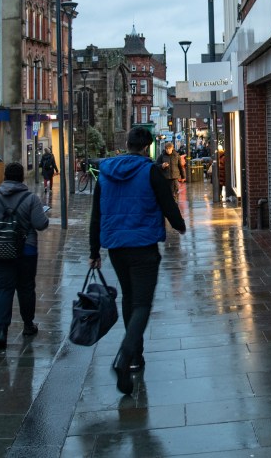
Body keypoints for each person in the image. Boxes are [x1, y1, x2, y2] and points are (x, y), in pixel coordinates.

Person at [89, 126, 186, 395]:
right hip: (143, 245)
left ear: (128, 144)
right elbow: (167, 203)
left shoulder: (106, 172)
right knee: (142, 303)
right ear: (146, 147)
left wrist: (93, 251)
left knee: (129, 298)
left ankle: (135, 357)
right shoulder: (150, 170)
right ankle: (125, 356)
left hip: (116, 247)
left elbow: (96, 215)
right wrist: (180, 225)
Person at [0, 161, 50, 349]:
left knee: (3, 287)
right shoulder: (31, 199)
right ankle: (27, 324)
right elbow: (41, 224)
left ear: (5, 177)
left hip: (0, 250)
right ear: (21, 178)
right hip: (27, 250)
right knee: (26, 287)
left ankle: (2, 330)